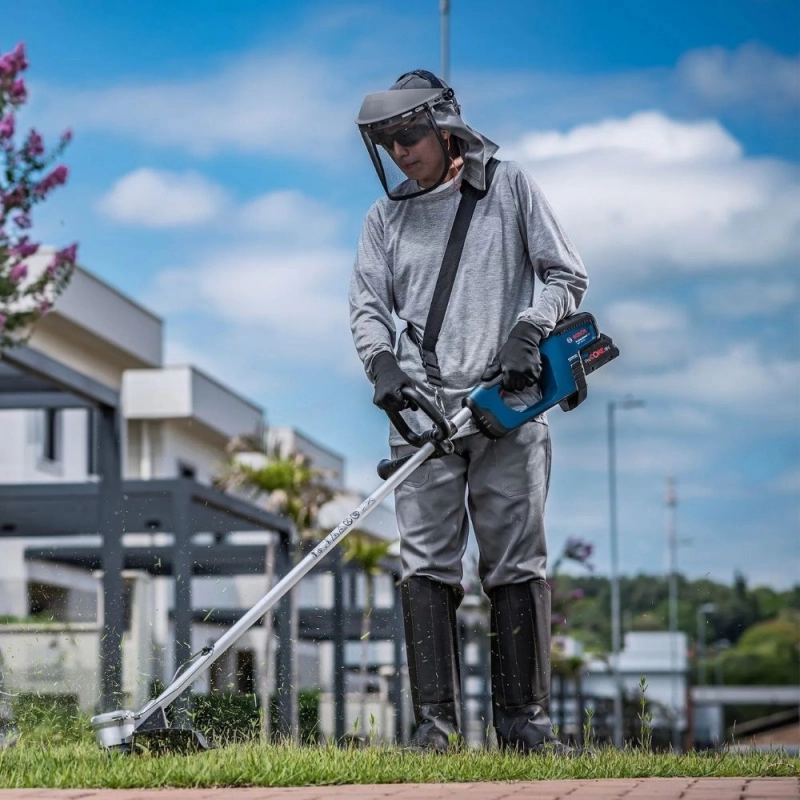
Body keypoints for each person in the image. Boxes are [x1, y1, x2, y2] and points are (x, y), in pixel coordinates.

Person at [349, 70, 589, 753]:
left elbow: (566, 273)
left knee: (515, 563)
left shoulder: (509, 188)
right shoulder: (384, 218)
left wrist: (529, 330)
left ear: (445, 125)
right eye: (388, 140)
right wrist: (382, 365)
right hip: (423, 419)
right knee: (425, 565)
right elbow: (368, 304)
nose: (400, 150)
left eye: (409, 134)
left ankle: (525, 726)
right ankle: (435, 728)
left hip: (506, 405)